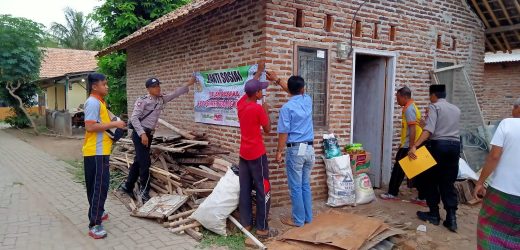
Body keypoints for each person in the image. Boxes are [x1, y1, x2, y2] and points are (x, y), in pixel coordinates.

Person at [119, 76, 195, 203]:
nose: (158, 88)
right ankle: (144, 191)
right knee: (145, 163)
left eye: (158, 85)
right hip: (139, 135)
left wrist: (189, 83)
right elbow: (134, 118)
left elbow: (174, 94)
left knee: (138, 161)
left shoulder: (161, 99)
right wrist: (142, 134)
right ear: (148, 89)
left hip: (149, 135)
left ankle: (128, 186)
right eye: (154, 87)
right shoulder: (143, 101)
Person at [408, 84, 461, 232]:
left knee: (430, 180)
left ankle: (434, 214)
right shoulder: (456, 109)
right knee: (448, 181)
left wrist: (415, 146)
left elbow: (429, 131)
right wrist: (427, 124)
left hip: (438, 147)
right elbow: (444, 128)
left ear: (433, 95)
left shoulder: (434, 107)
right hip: (455, 147)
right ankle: (451, 218)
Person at [266, 71, 315, 227]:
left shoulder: (287, 108)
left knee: (295, 186)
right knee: (305, 185)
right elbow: (293, 92)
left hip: (296, 151)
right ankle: (308, 217)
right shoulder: (307, 100)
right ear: (303, 89)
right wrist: (278, 80)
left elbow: (283, 133)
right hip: (309, 149)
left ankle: (298, 220)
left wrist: (279, 152)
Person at [82, 73, 126, 239]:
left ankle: (99, 212)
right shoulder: (93, 102)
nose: (106, 87)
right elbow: (90, 127)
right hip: (97, 152)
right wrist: (115, 123)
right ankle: (94, 224)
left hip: (98, 152)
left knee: (96, 186)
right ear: (95, 86)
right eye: (104, 84)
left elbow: (101, 126)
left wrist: (115, 127)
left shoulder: (98, 102)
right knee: (100, 187)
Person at [237, 64, 278, 239]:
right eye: (260, 90)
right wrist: (267, 111)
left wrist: (259, 73)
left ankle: (246, 222)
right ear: (257, 94)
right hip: (257, 155)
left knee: (245, 188)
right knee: (263, 190)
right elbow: (267, 129)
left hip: (243, 154)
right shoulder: (258, 109)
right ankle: (262, 228)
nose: (262, 92)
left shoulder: (241, 104)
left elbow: (250, 87)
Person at [474, 98, 520, 249]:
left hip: (502, 193)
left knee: (488, 227)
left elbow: (494, 156)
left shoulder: (508, 123)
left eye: (513, 107)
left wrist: (480, 182)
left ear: (518, 108)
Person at [380, 86, 425, 206]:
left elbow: (412, 129)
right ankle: (423, 197)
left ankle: (392, 193)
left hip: (409, 145)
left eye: (398, 97)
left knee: (398, 169)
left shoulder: (409, 109)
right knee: (416, 170)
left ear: (404, 97)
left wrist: (411, 147)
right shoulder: (411, 106)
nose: (397, 100)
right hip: (412, 144)